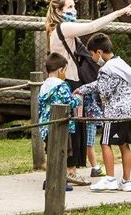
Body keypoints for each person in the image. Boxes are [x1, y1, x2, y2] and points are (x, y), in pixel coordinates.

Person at [44, 0, 131, 185]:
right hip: (69, 81)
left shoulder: (59, 30)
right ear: (58, 11)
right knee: (70, 128)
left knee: (74, 127)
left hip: (73, 81)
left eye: (73, 6)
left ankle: (69, 169)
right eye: (69, 7)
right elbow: (93, 26)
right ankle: (68, 170)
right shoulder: (64, 27)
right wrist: (119, 12)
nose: (73, 10)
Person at [74, 34, 131, 193]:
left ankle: (110, 178)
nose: (92, 57)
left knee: (105, 143)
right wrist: (84, 89)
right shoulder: (121, 63)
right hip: (129, 111)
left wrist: (81, 90)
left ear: (99, 52)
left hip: (114, 113)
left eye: (92, 54)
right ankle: (126, 181)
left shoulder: (106, 69)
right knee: (124, 145)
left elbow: (104, 89)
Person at [38, 52, 82, 192]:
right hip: (61, 125)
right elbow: (69, 102)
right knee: (62, 153)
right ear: (60, 70)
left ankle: (49, 179)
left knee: (51, 153)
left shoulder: (44, 85)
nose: (65, 73)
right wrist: (78, 99)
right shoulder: (61, 85)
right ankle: (60, 181)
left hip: (46, 126)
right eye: (65, 70)